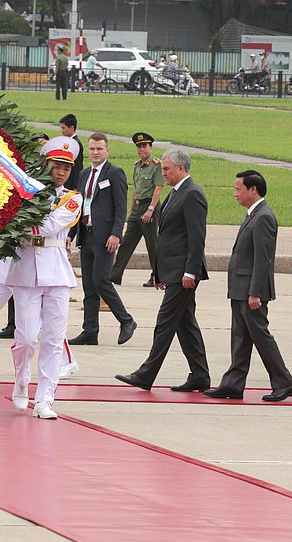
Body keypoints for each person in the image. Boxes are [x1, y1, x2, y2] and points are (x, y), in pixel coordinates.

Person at [115, 148, 210, 392]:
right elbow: (166, 236)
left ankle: (146, 375)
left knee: (165, 322)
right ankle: (200, 374)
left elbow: (197, 238)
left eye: (167, 169)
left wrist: (191, 272)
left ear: (182, 168)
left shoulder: (192, 194)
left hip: (184, 273)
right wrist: (158, 272)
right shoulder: (177, 193)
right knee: (185, 323)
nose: (163, 173)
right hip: (173, 271)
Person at [5, 136, 84, 419]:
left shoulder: (72, 198)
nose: (61, 171)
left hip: (57, 272)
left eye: (66, 167)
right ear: (45, 164)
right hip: (26, 270)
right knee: (25, 338)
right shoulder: (24, 193)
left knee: (53, 340)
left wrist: (23, 223)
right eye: (56, 165)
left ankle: (45, 398)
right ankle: (21, 380)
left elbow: (48, 226)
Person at [204, 170, 292, 402]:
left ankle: (284, 382)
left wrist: (255, 292)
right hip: (240, 288)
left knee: (261, 337)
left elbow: (262, 259)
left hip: (251, 291)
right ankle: (233, 384)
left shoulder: (264, 216)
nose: (235, 193)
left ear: (253, 189)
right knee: (240, 338)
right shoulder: (252, 214)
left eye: (238, 189)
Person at [67, 133, 136, 346]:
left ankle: (126, 321)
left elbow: (120, 207)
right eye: (92, 149)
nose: (95, 153)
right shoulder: (84, 174)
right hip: (86, 235)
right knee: (88, 285)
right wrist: (70, 234)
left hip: (105, 237)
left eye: (99, 149)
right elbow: (78, 205)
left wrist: (116, 233)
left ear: (107, 151)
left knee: (101, 281)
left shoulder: (115, 173)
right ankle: (90, 330)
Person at [110, 131, 164, 288]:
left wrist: (151, 209)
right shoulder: (137, 166)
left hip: (150, 206)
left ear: (150, 147)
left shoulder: (156, 165)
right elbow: (135, 189)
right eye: (139, 146)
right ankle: (114, 275)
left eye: (145, 146)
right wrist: (132, 210)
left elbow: (158, 189)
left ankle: (158, 276)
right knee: (126, 242)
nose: (142, 149)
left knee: (152, 244)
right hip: (138, 207)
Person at [59, 114, 84, 191]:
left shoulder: (76, 144)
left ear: (72, 128)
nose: (62, 131)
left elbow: (78, 167)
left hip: (71, 184)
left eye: (64, 128)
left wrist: (76, 187)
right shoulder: (68, 142)